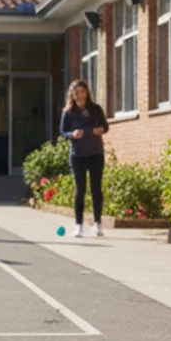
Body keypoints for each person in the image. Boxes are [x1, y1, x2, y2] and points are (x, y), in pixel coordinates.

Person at [59, 79, 109, 238]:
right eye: (76, 93)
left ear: (87, 92)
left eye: (82, 92)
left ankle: (97, 223)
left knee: (96, 189)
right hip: (78, 156)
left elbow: (105, 126)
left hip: (96, 154)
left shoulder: (95, 109)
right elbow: (62, 132)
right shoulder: (68, 112)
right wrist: (71, 134)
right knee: (80, 190)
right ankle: (78, 225)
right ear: (72, 96)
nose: (79, 96)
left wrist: (101, 129)